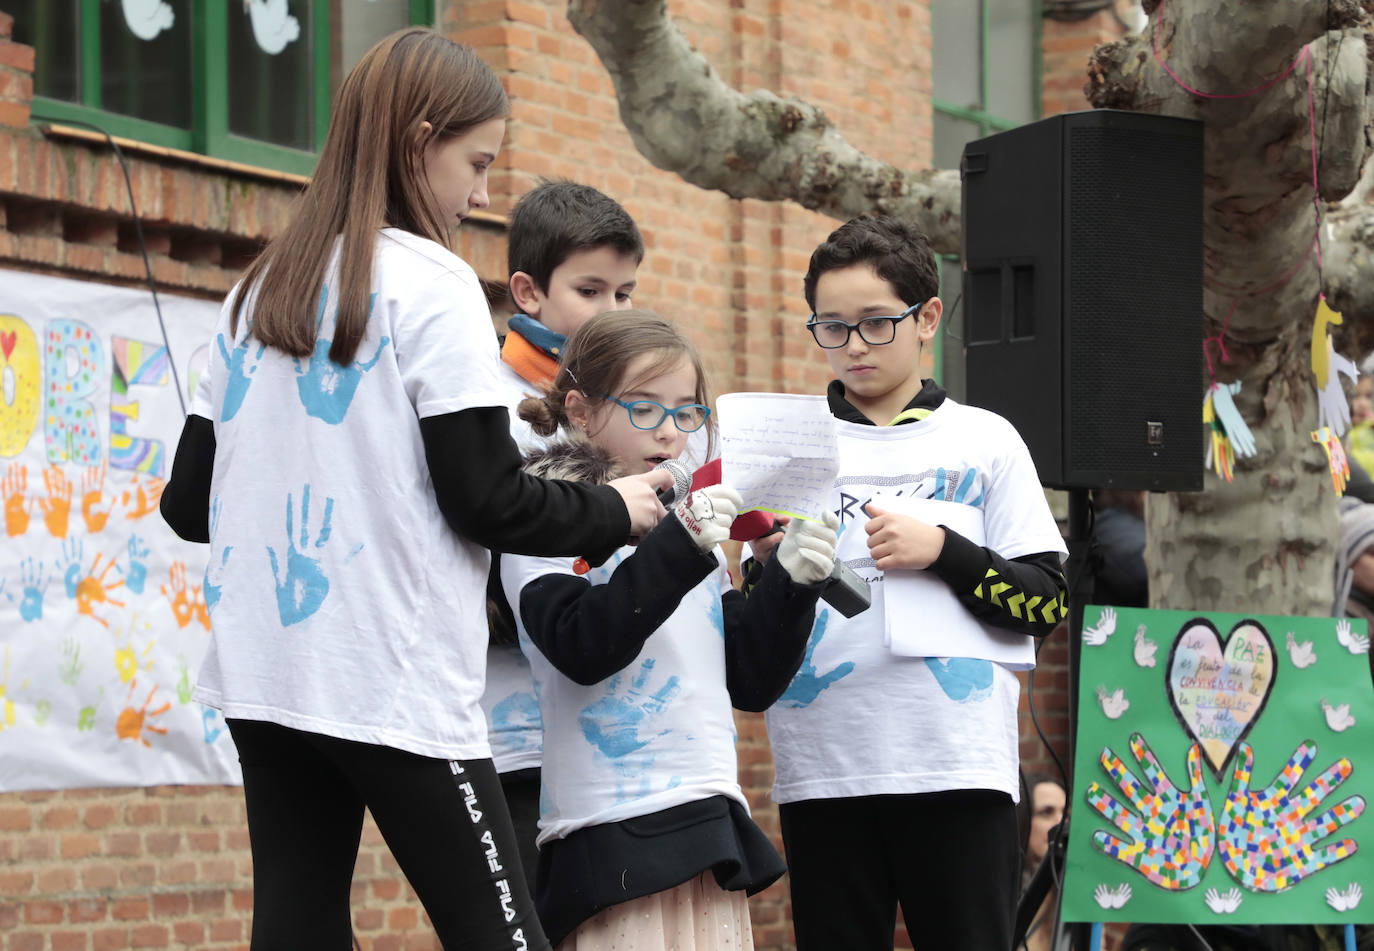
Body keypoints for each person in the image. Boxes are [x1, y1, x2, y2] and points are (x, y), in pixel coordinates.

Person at [158, 29, 671, 951]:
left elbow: (187, 505)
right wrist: (618, 508)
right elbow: (489, 499)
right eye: (476, 163)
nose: (482, 195)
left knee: (296, 926)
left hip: (265, 675)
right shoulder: (430, 283)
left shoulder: (253, 293)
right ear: (418, 140)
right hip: (387, 675)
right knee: (500, 935)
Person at [763, 214, 1069, 951]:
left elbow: (1047, 602)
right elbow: (749, 625)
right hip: (824, 770)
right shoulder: (786, 444)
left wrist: (944, 550)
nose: (854, 346)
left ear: (928, 316)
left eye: (875, 323)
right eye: (831, 328)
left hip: (958, 767)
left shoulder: (986, 438)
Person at [500, 309, 840, 949]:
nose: (672, 432)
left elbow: (749, 679)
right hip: (607, 827)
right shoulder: (546, 516)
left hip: (708, 812)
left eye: (688, 413)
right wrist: (681, 542)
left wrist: (788, 582)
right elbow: (582, 644)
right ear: (579, 409)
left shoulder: (690, 531)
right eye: (645, 408)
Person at [482, 181, 645, 894]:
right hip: (508, 741)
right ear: (528, 290)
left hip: (621, 744)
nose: (613, 311)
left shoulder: (641, 406)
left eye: (626, 293)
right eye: (591, 290)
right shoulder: (477, 398)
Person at [1017, 772, 1068, 951]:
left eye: (1065, 813)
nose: (1061, 823)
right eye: (1047, 812)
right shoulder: (1004, 889)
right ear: (1024, 819)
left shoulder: (1072, 889)